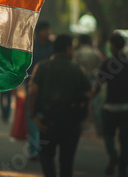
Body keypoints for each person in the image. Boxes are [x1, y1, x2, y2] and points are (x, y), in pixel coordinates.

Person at [28, 34, 91, 177]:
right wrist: (84, 118)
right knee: (67, 161)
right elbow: (88, 94)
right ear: (68, 49)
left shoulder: (42, 67)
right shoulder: (77, 69)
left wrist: (33, 116)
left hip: (48, 121)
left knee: (46, 156)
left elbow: (33, 93)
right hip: (72, 123)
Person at [97, 33, 128, 177]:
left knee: (108, 135)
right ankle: (123, 169)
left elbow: (99, 84)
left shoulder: (108, 63)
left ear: (112, 46)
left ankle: (113, 154)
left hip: (111, 107)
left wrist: (90, 97)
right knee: (126, 140)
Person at [26, 21, 54, 159]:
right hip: (32, 88)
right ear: (38, 32)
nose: (47, 32)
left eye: (48, 30)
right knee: (32, 117)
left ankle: (45, 149)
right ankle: (34, 150)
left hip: (50, 89)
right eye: (45, 30)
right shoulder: (31, 46)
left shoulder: (53, 47)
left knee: (47, 118)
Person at [72, 34, 104, 135]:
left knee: (80, 102)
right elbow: (101, 65)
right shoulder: (96, 53)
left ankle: (80, 125)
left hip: (80, 81)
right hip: (93, 80)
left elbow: (74, 66)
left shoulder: (77, 53)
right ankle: (99, 127)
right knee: (95, 104)